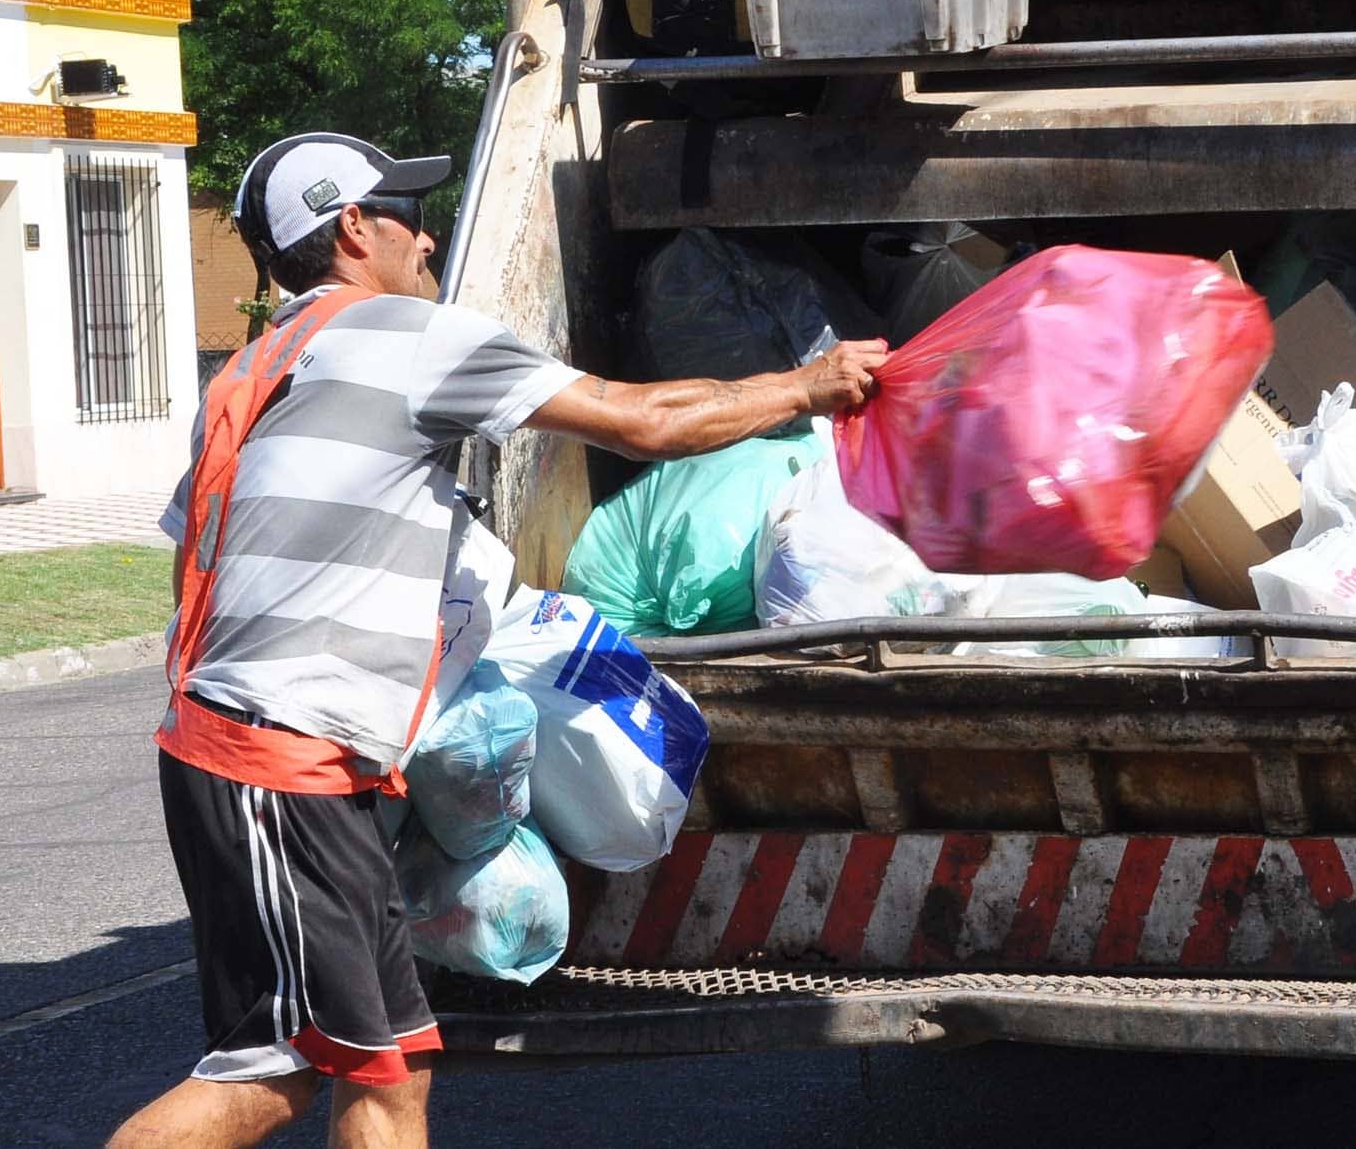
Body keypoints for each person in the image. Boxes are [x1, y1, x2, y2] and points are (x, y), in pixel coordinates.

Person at [108, 133, 886, 1149]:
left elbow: (195, 563)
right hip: (277, 759)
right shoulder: (401, 332)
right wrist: (805, 386)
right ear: (352, 228)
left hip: (256, 749)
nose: (427, 237)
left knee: (391, 1062)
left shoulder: (251, 370)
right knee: (275, 1067)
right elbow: (635, 417)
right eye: (406, 213)